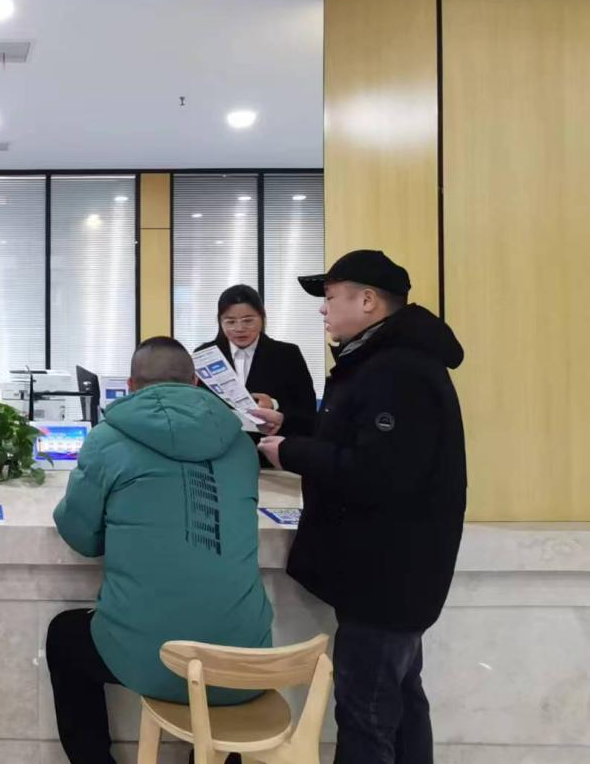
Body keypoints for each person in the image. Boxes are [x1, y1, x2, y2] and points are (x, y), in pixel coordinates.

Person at [255, 250, 466, 764]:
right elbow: (357, 439)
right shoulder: (380, 361)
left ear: (368, 300)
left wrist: (292, 453)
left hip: (387, 576)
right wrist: (291, 428)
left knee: (367, 715)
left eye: (330, 297)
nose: (322, 309)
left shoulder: (397, 371)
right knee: (401, 704)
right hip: (391, 573)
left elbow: (378, 473)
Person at [47, 336, 273, 764]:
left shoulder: (107, 440)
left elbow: (81, 537)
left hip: (151, 659)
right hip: (243, 662)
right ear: (195, 382)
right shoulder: (241, 444)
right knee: (222, 658)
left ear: (131, 386)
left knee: (64, 637)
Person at [197, 284, 319, 463]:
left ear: (262, 317)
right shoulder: (206, 355)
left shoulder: (287, 354)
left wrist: (274, 405)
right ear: (220, 321)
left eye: (248, 320)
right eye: (230, 321)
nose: (239, 328)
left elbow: (306, 412)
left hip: (270, 456)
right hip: (219, 455)